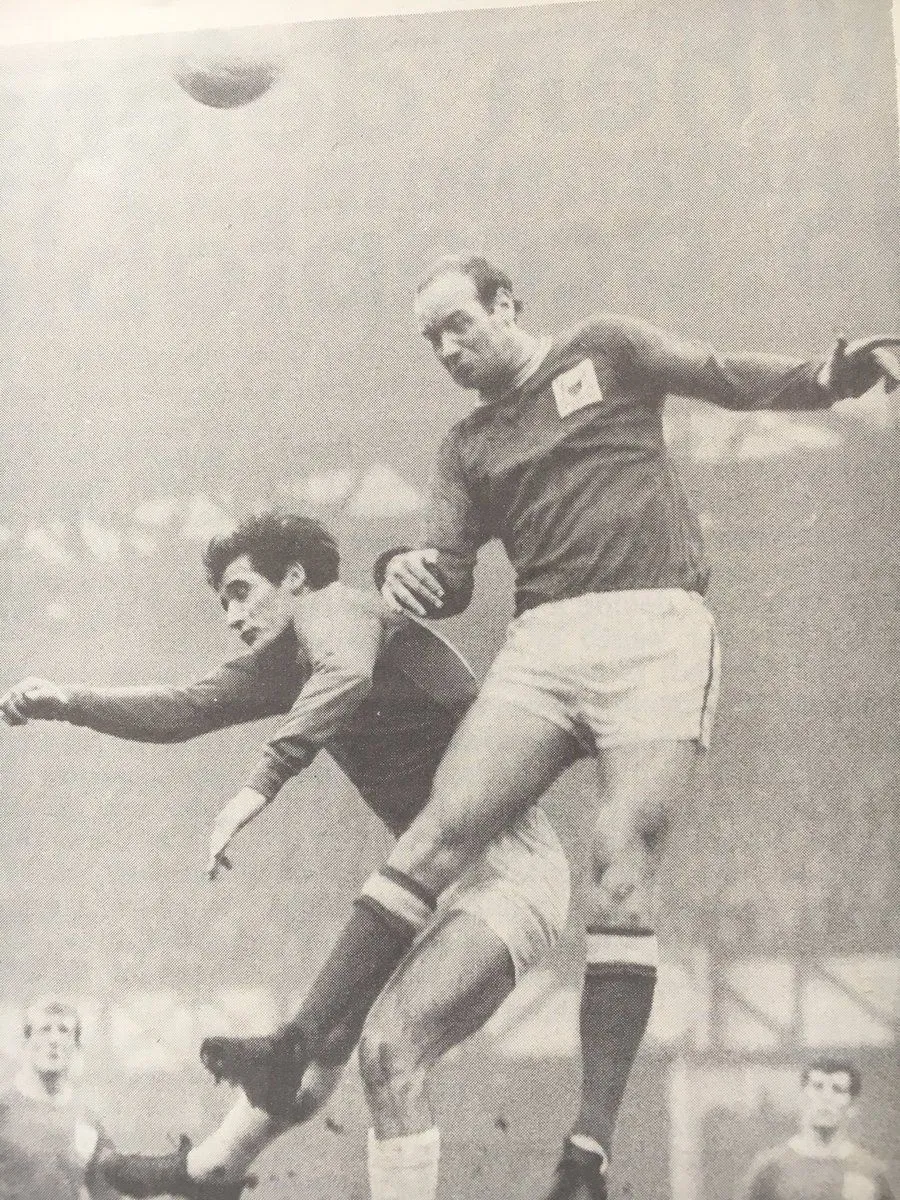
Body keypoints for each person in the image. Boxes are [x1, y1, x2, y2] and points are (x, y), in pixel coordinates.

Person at [198, 258, 900, 1200]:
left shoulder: (604, 349)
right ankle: (293, 1042)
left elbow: (721, 374)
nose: (448, 348)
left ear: (507, 305)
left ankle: (586, 1154)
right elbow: (450, 575)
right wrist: (409, 566)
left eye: (459, 323)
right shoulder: (466, 447)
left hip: (656, 623)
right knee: (439, 831)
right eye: (431, 338)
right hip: (546, 638)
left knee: (621, 868)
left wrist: (825, 377)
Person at [0, 511, 570, 1200]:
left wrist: (259, 784)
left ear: (296, 578)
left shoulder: (340, 609)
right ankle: (203, 1172)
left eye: (242, 592)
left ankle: (207, 1166)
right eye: (223, 602)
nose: (232, 616)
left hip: (508, 875)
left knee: (388, 1054)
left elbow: (348, 675)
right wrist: (70, 701)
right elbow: (183, 709)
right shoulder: (288, 663)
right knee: (311, 1070)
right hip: (431, 881)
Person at [0, 995, 118, 1200]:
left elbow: (107, 1193)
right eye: (44, 1029)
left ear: (76, 1046)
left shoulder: (88, 1121)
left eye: (64, 1031)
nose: (54, 1040)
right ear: (26, 1042)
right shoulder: (4, 1110)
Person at [740, 1059, 894, 1200]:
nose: (826, 1097)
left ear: (853, 1107)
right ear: (801, 1099)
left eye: (838, 1090)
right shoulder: (770, 1167)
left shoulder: (869, 1170)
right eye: (818, 1087)